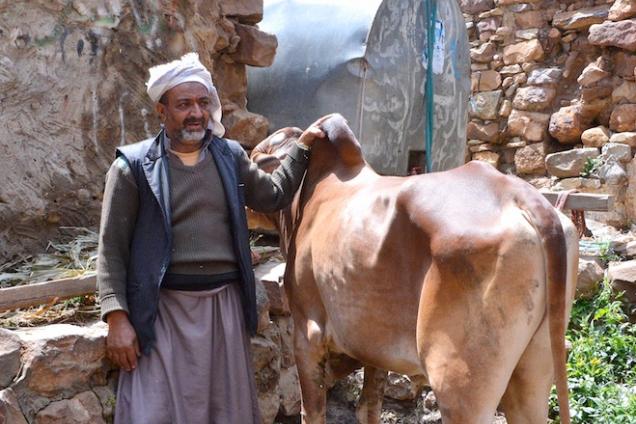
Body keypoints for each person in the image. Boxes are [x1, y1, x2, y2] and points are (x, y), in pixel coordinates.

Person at [97, 52, 325, 424]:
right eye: (184, 104)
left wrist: (302, 149)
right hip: (162, 311)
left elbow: (272, 196)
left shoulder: (229, 156)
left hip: (224, 309)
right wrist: (116, 318)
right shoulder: (132, 167)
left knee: (225, 413)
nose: (196, 113)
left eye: (203, 103)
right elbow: (111, 250)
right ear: (162, 111)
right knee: (152, 412)